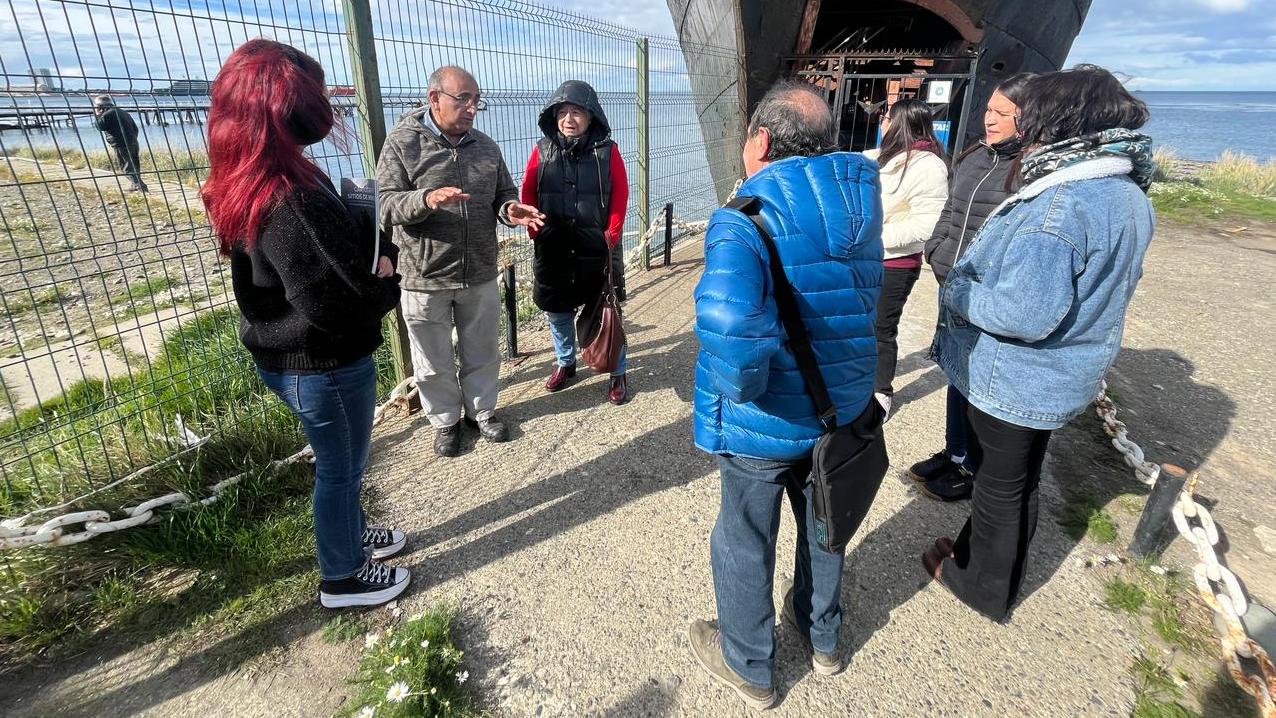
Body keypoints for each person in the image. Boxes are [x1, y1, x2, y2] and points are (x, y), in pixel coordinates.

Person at [924, 65, 1155, 621]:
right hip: (1063, 372)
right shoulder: (1125, 193)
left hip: (1017, 373)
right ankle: (985, 565)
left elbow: (1022, 314)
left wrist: (960, 291)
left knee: (1000, 486)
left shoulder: (1060, 204)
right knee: (1020, 480)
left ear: (1062, 123)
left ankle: (980, 586)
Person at [688, 81, 883, 710]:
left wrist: (740, 395)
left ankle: (749, 663)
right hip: (838, 406)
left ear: (761, 141)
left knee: (744, 535)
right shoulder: (860, 202)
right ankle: (822, 635)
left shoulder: (743, 220)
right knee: (825, 523)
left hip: (768, 418)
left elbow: (729, 327)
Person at [202, 39, 409, 608]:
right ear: (281, 102)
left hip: (291, 357)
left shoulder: (252, 174)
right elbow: (337, 304)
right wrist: (386, 277)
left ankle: (349, 532)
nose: (323, 102)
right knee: (341, 470)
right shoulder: (288, 197)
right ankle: (342, 577)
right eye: (313, 91)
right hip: (325, 362)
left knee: (343, 464)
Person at [377, 65, 544, 458]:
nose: (471, 107)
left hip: (480, 269)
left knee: (483, 349)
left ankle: (481, 412)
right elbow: (383, 205)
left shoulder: (486, 146)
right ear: (434, 98)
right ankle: (446, 421)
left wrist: (511, 209)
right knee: (432, 359)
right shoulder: (402, 143)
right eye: (462, 98)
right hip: (423, 274)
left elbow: (503, 193)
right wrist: (425, 200)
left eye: (476, 100)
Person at [911, 73, 1035, 502]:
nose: (990, 120)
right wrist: (936, 250)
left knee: (982, 381)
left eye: (1003, 113)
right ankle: (956, 450)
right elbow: (951, 209)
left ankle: (973, 468)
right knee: (956, 371)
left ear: (1030, 117)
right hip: (952, 282)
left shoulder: (1031, 170)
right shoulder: (974, 157)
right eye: (988, 110)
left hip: (988, 293)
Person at [520, 80, 630, 404]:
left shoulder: (608, 152)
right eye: (563, 112)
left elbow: (620, 196)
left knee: (606, 310)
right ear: (554, 116)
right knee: (558, 310)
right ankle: (565, 363)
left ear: (591, 115)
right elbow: (528, 191)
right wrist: (534, 229)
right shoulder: (541, 150)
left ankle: (617, 370)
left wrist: (610, 235)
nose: (569, 118)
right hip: (552, 245)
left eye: (577, 112)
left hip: (594, 247)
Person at [863, 98, 948, 415]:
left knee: (881, 330)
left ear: (900, 122)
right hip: (866, 258)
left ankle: (881, 392)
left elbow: (926, 225)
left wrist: (873, 237)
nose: (881, 122)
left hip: (895, 263)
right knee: (861, 325)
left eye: (886, 117)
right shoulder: (883, 157)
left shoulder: (928, 166)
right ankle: (859, 381)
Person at [93, 95, 147, 192]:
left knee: (126, 168)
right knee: (134, 165)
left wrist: (97, 115)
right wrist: (133, 138)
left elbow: (100, 127)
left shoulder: (107, 114)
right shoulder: (122, 112)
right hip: (133, 142)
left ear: (100, 107)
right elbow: (135, 128)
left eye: (96, 107)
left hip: (120, 144)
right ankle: (134, 185)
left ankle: (140, 186)